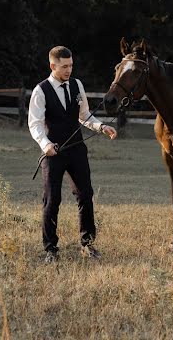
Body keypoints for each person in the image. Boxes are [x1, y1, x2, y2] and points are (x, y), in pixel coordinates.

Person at [28, 46, 117, 263]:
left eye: (71, 66)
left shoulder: (77, 85)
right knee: (52, 200)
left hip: (77, 149)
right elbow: (35, 124)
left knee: (85, 194)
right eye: (64, 66)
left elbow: (84, 116)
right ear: (53, 66)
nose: (69, 70)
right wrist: (46, 145)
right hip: (53, 152)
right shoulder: (41, 91)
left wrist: (101, 127)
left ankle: (87, 244)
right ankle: (50, 249)